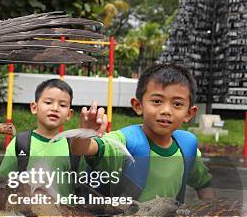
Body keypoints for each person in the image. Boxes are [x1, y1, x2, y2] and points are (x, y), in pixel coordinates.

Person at [72, 64, 214, 203]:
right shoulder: (125, 141)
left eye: (177, 104)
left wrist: (211, 211)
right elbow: (82, 149)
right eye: (157, 101)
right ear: (138, 106)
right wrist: (84, 134)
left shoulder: (187, 147)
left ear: (189, 113)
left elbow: (204, 184)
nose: (166, 110)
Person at [0, 78, 77, 197]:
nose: (55, 108)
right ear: (34, 107)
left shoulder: (74, 146)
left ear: (69, 114)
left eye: (62, 105)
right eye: (48, 102)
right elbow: (2, 182)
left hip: (66, 214)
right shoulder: (21, 143)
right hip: (27, 213)